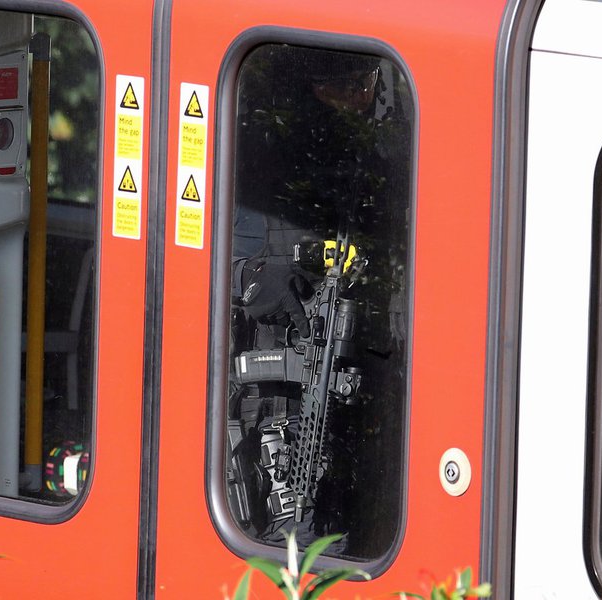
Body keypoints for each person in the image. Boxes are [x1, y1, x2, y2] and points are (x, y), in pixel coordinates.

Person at [226, 45, 411, 556]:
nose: (362, 95)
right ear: (315, 86)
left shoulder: (359, 162)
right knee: (287, 535)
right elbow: (191, 261)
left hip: (347, 384)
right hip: (273, 398)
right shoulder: (251, 154)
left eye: (367, 81)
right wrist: (258, 279)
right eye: (350, 83)